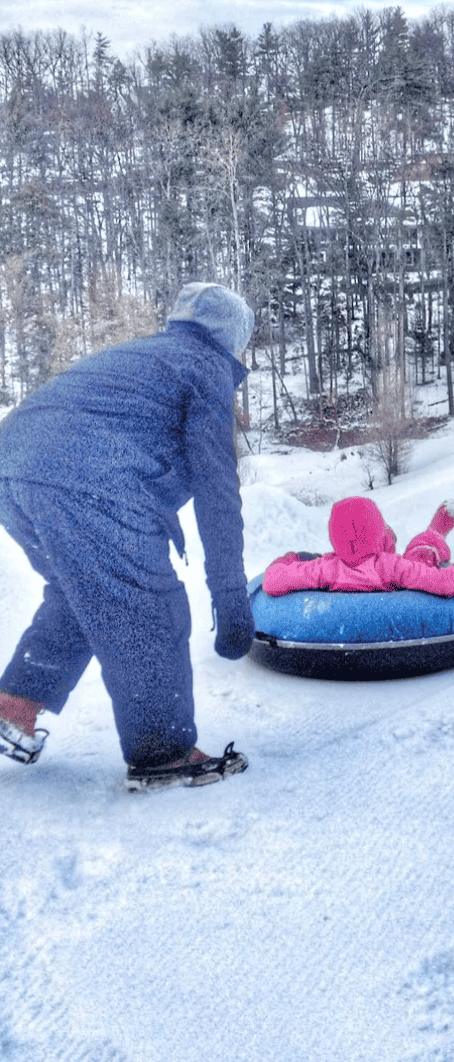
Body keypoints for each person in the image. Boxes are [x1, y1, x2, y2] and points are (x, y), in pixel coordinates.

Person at [0, 282, 256, 791]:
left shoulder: (145, 355)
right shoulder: (206, 367)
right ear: (232, 338)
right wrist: (232, 605)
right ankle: (164, 754)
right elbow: (217, 495)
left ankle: (15, 705)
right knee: (146, 606)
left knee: (82, 593)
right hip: (88, 475)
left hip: (12, 465)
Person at [263, 496, 454, 598]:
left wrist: (289, 558)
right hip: (389, 570)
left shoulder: (324, 568)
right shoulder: (392, 566)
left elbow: (272, 580)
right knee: (421, 553)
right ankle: (434, 534)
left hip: (359, 559)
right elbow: (444, 582)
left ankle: (387, 538)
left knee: (405, 556)